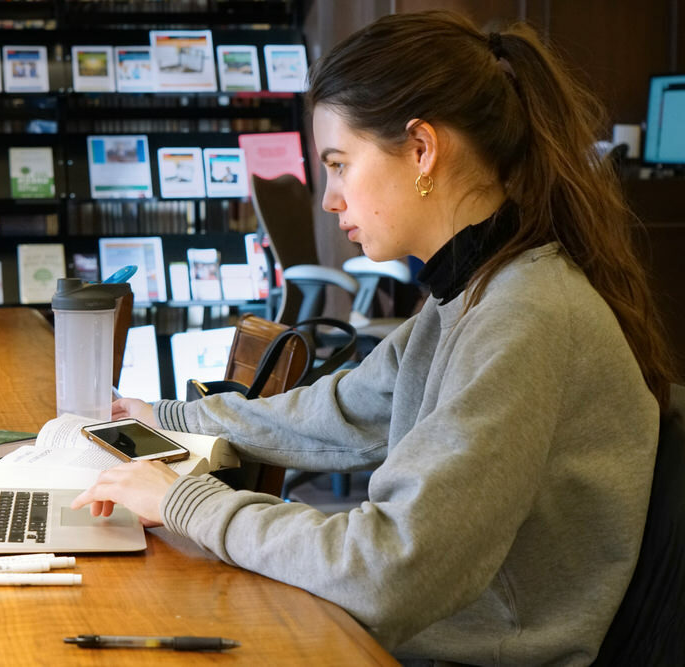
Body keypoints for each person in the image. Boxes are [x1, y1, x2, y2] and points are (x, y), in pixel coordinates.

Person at [71, 11, 676, 665]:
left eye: (339, 164)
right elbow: (338, 413)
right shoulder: (473, 293)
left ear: (421, 150)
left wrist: (186, 501)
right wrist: (161, 416)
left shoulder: (522, 317)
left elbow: (389, 566)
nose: (330, 199)